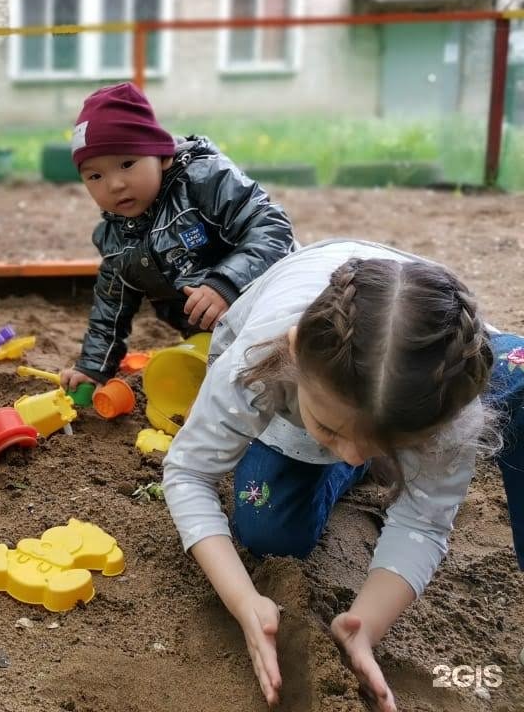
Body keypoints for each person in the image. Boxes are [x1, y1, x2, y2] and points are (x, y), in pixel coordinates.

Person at [162, 239, 523, 711]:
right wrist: (244, 600)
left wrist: (365, 625)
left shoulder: (450, 399)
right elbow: (188, 472)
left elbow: (424, 522)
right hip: (292, 380)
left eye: (381, 446)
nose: (354, 456)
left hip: (425, 340)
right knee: (269, 529)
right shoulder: (258, 360)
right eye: (332, 429)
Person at [58, 83, 295, 393]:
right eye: (95, 176)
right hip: (212, 337)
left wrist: (226, 283)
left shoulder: (204, 180)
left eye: (127, 163)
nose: (114, 184)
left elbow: (271, 227)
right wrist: (93, 367)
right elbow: (111, 307)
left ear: (161, 155)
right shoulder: (116, 239)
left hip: (277, 310)